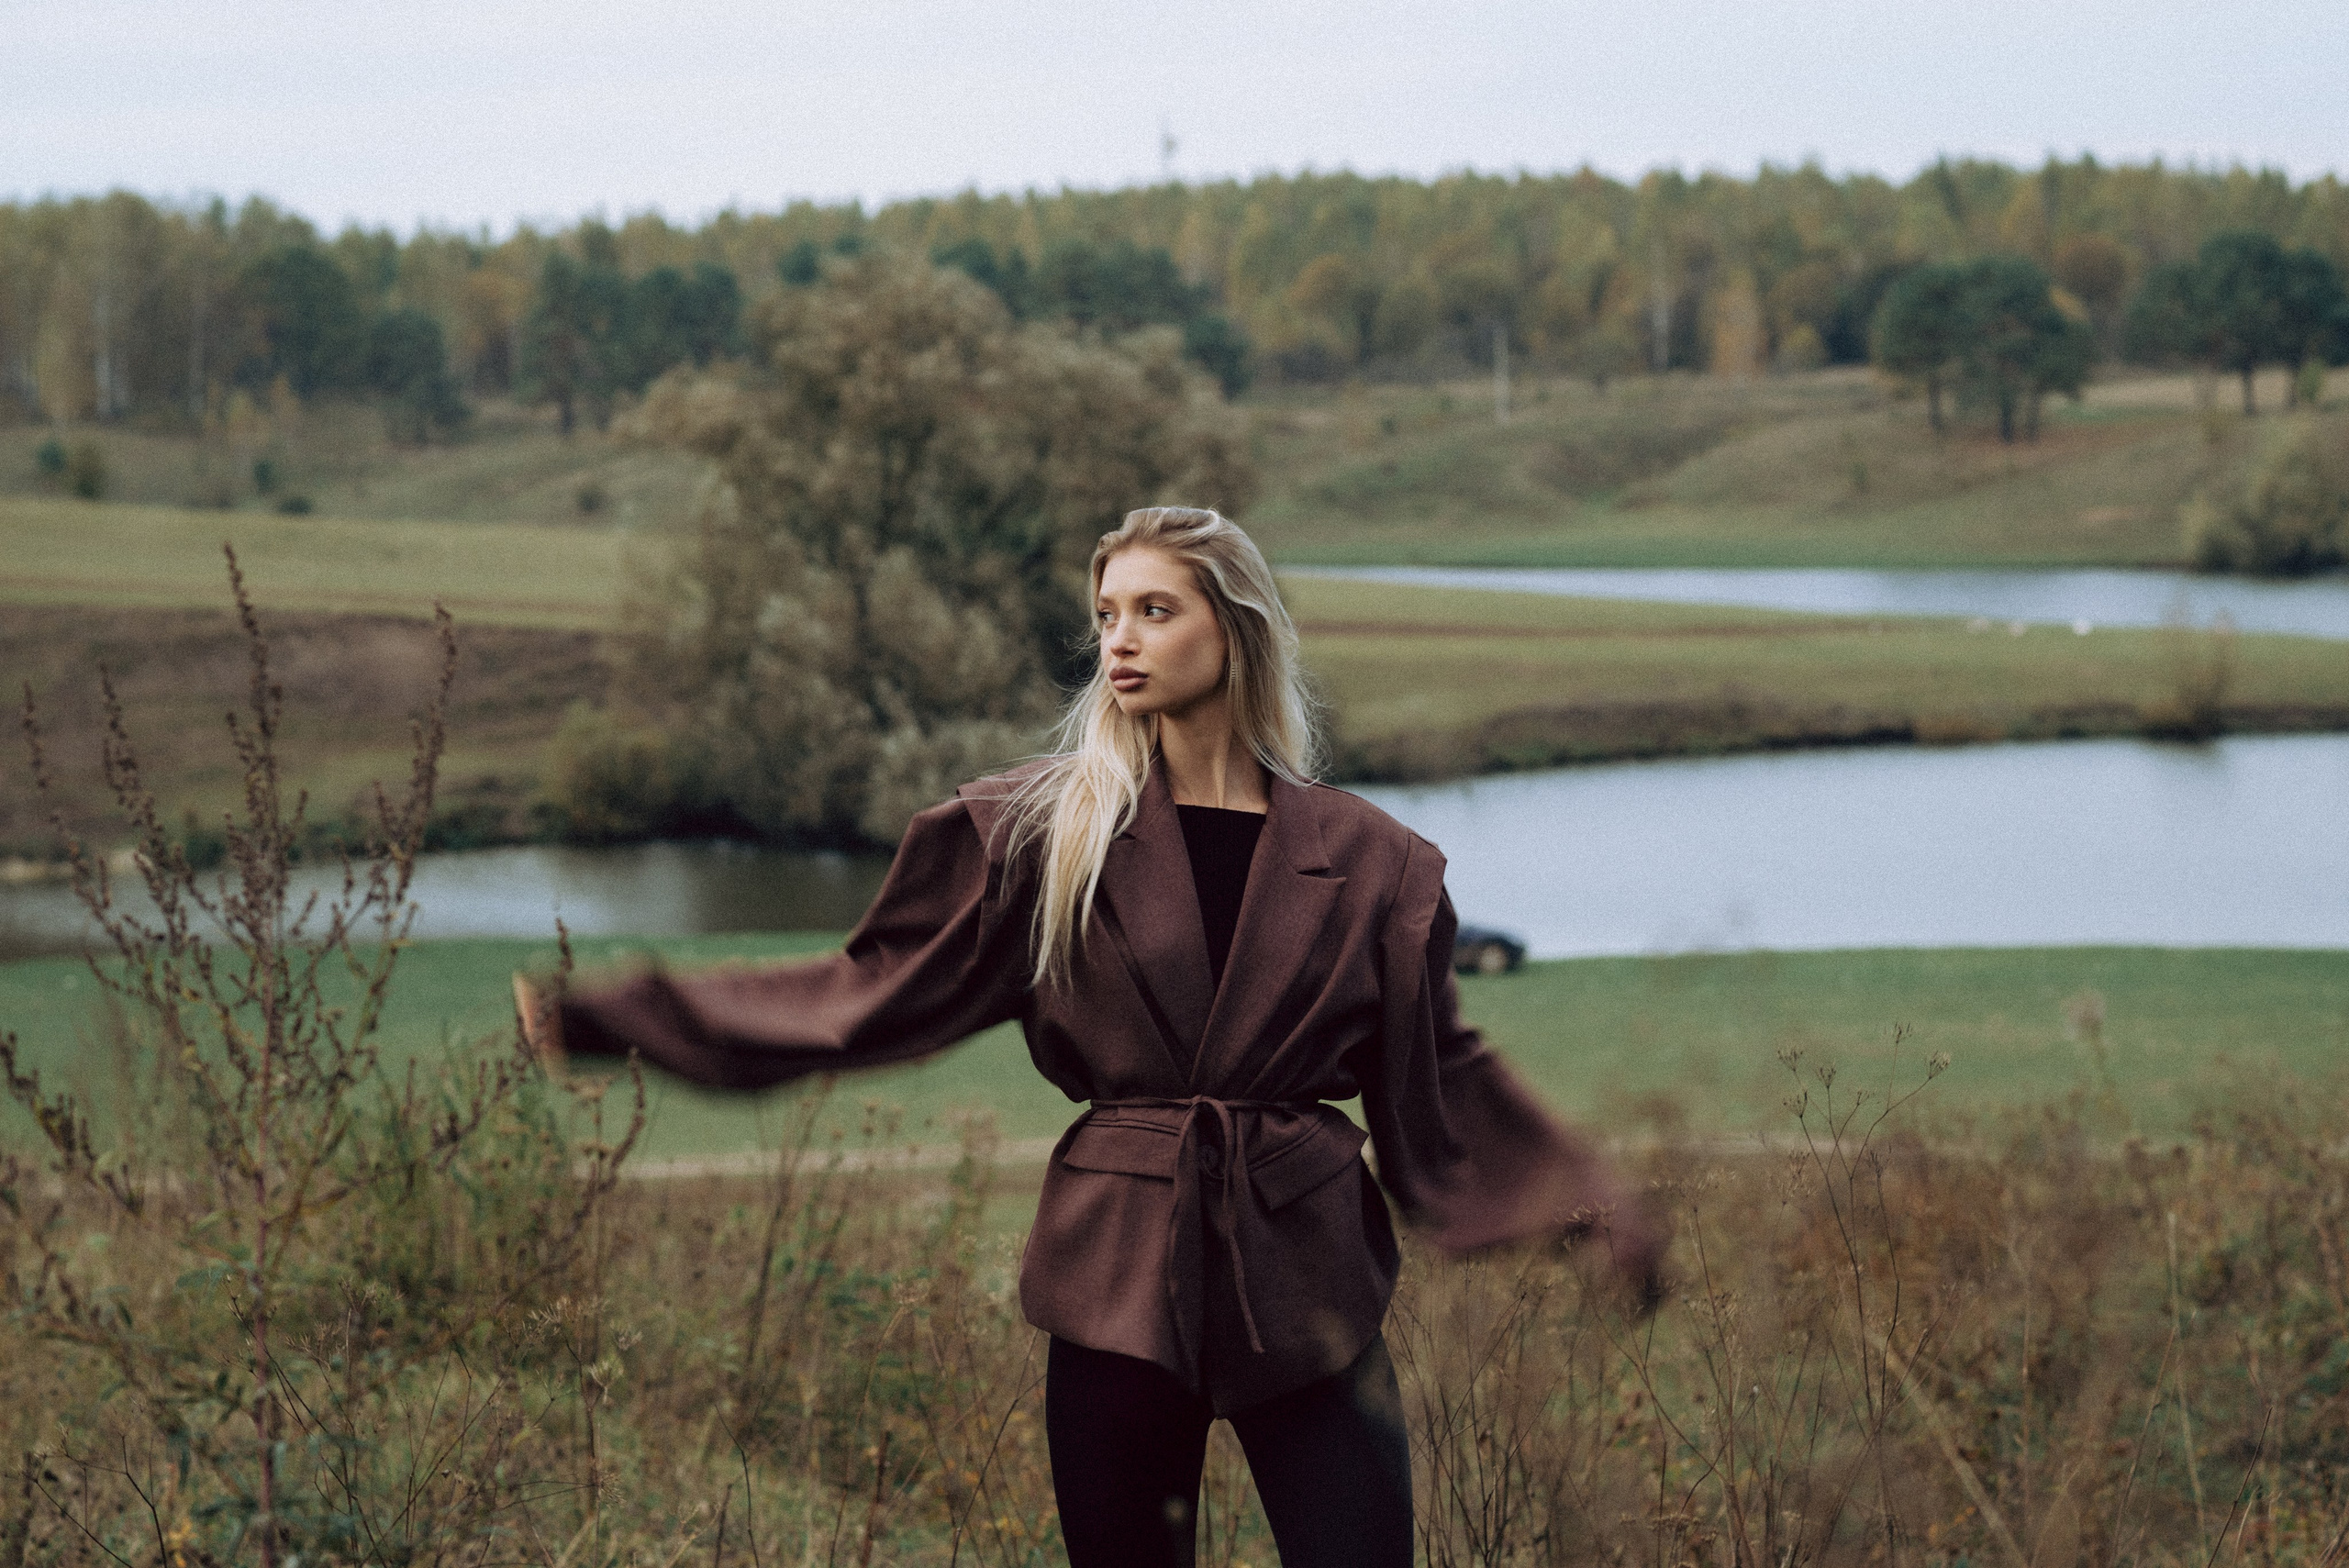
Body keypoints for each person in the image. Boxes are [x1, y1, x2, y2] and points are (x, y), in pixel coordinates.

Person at [517, 506, 1662, 1568]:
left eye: (1156, 610)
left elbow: (1440, 1065)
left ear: (1237, 629)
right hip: (1117, 1272)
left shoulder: (1373, 861)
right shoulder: (1039, 832)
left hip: (1308, 1270)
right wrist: (613, 1017)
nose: (1120, 639)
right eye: (1107, 613)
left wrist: (1586, 1206)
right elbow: (866, 990)